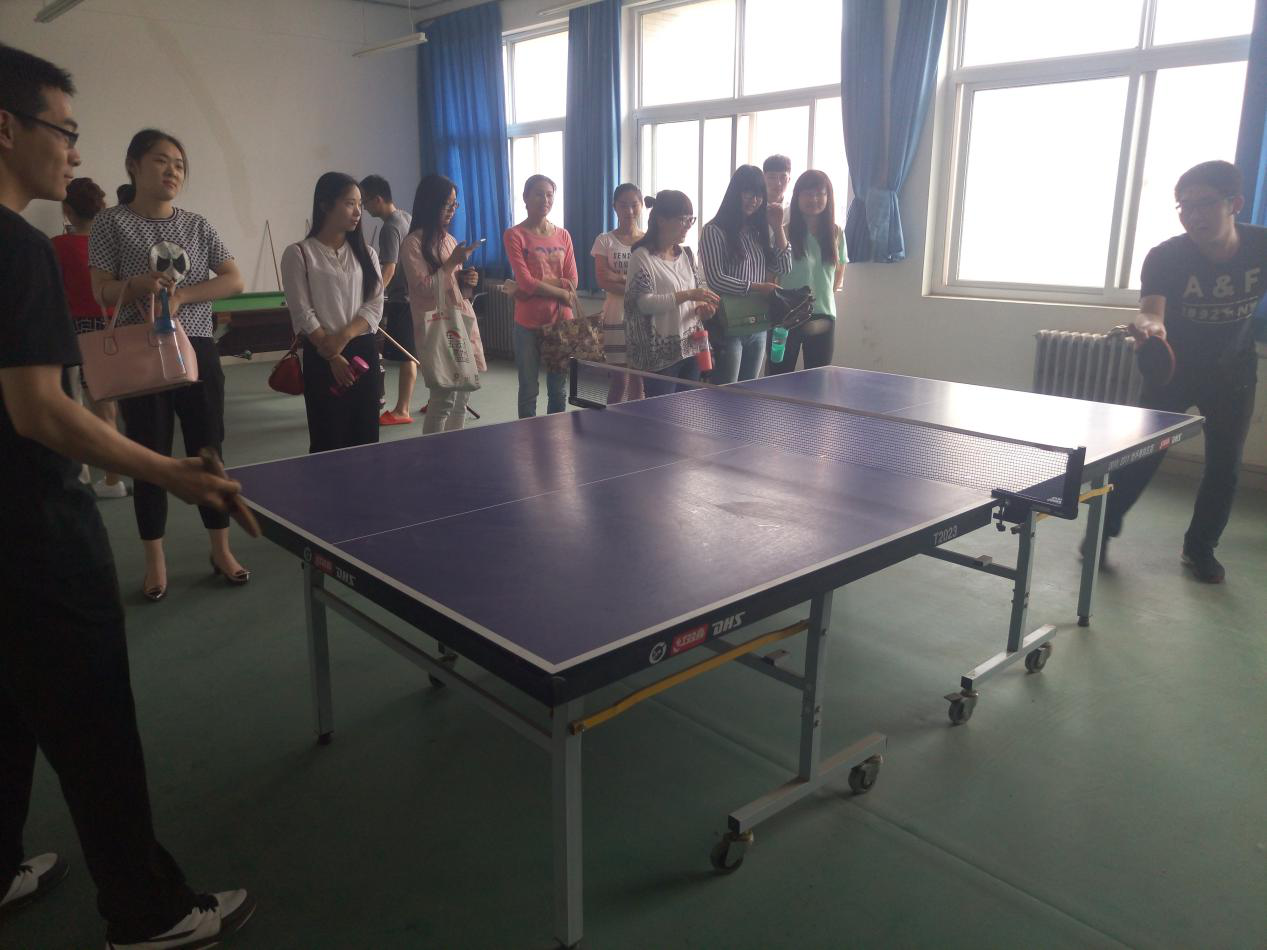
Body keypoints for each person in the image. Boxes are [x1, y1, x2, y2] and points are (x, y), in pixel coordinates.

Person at [0, 42, 254, 948]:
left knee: (9, 703)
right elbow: (39, 410)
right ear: (7, 128)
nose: (74, 151)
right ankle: (147, 913)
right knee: (94, 723)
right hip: (33, 530)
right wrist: (171, 471)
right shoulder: (22, 249)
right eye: (63, 129)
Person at [88, 128, 248, 601]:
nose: (172, 171)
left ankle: (221, 549)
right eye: (161, 160)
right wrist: (136, 285)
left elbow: (234, 280)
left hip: (196, 347)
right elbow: (101, 291)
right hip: (143, 351)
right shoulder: (111, 223)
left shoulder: (197, 224)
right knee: (150, 454)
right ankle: (155, 561)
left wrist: (183, 297)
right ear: (133, 165)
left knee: (209, 449)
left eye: (179, 164)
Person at [1102, 160, 1265, 584]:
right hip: (1174, 372)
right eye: (1184, 206)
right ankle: (1103, 529)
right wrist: (1150, 328)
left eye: (1204, 204)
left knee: (1225, 466)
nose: (1193, 215)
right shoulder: (1166, 256)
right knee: (1141, 456)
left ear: (1235, 203)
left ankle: (1200, 547)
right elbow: (1151, 312)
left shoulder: (1261, 247)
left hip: (1234, 373)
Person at [281, 172, 384, 454]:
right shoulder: (299, 253)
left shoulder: (368, 254)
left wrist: (344, 337)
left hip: (362, 350)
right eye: (350, 203)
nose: (358, 212)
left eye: (360, 204)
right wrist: (332, 355)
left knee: (366, 434)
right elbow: (302, 311)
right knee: (328, 437)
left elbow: (374, 304)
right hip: (322, 353)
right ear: (325, 205)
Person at [51, 175, 127, 496]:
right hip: (112, 327)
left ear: (68, 210)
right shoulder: (112, 245)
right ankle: (112, 479)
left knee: (75, 406)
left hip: (75, 330)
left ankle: (85, 477)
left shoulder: (57, 246)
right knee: (107, 408)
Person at [400, 173, 486, 433]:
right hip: (438, 327)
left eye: (454, 204)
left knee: (462, 399)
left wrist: (467, 280)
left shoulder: (449, 240)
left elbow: (454, 288)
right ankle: (434, 452)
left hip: (460, 321)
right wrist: (451, 264)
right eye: (446, 204)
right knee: (442, 400)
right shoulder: (413, 243)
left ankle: (454, 449)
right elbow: (423, 289)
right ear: (430, 203)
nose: (452, 210)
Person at [699, 164, 792, 383]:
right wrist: (758, 287)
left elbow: (784, 267)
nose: (754, 200)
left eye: (759, 195)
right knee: (725, 392)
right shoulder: (714, 231)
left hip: (758, 324)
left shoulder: (758, 232)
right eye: (748, 193)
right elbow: (716, 279)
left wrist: (778, 227)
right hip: (727, 324)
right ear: (735, 193)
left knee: (750, 390)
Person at [624, 190, 719, 396]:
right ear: (661, 220)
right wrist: (689, 295)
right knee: (661, 412)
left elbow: (697, 296)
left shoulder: (687, 254)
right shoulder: (641, 257)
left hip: (691, 348)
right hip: (660, 356)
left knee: (687, 409)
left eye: (691, 219)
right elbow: (644, 304)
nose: (688, 225)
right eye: (683, 219)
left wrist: (703, 309)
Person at [503, 174, 580, 418]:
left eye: (549, 195)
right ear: (525, 198)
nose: (545, 200)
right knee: (528, 388)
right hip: (528, 323)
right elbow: (525, 281)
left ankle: (555, 435)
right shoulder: (515, 235)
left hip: (560, 322)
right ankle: (528, 435)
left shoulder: (563, 235)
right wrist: (560, 291)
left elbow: (573, 281)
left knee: (558, 389)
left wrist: (533, 284)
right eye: (538, 194)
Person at [769, 170, 845, 373]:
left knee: (818, 380)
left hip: (823, 317)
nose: (814, 199)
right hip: (786, 317)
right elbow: (771, 276)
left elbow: (838, 273)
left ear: (828, 197)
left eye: (820, 194)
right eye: (808, 194)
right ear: (798, 197)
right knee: (778, 379)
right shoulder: (783, 232)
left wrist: (822, 298)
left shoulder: (836, 233)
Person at [359, 174, 416, 426]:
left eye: (365, 201)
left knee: (407, 355)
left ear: (378, 199)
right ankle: (436, 397)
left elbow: (389, 269)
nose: (363, 208)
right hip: (415, 296)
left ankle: (402, 409)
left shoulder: (390, 227)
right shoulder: (406, 217)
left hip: (403, 299)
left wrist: (374, 297)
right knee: (417, 351)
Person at [592, 183, 645, 401]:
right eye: (623, 205)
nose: (629, 211)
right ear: (614, 207)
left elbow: (651, 283)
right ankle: (611, 419)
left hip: (643, 315)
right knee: (619, 380)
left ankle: (637, 421)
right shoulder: (604, 240)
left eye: (634, 205)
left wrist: (619, 277)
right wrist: (633, 283)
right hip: (615, 314)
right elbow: (604, 281)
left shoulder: (649, 241)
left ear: (641, 206)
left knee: (639, 380)